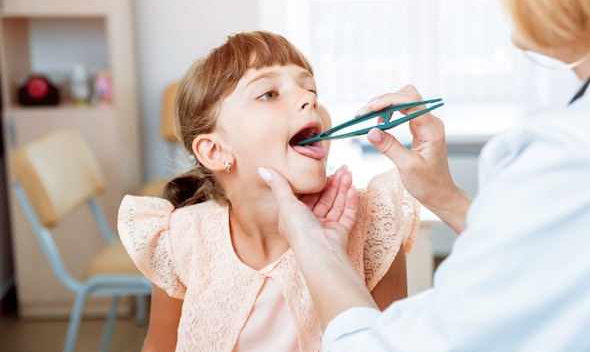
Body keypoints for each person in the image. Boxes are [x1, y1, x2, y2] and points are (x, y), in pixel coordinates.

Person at [259, 0, 590, 350]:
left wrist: (316, 249)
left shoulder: (583, 155)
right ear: (212, 150)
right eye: (268, 94)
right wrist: (445, 196)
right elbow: (560, 262)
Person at [117, 30, 420, 351]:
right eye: (269, 94)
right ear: (216, 151)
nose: (310, 99)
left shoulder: (372, 223)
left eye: (310, 87)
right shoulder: (181, 239)